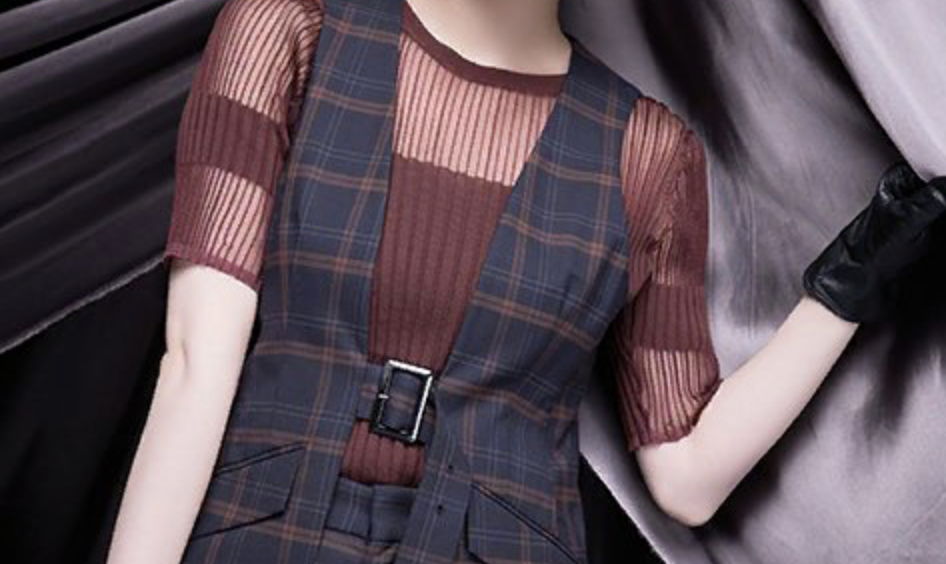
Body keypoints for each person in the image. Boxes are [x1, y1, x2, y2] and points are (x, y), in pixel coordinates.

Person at [104, 0, 946, 562]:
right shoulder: (286, 31)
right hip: (261, 535)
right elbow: (195, 367)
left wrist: (850, 279)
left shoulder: (649, 154)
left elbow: (686, 476)